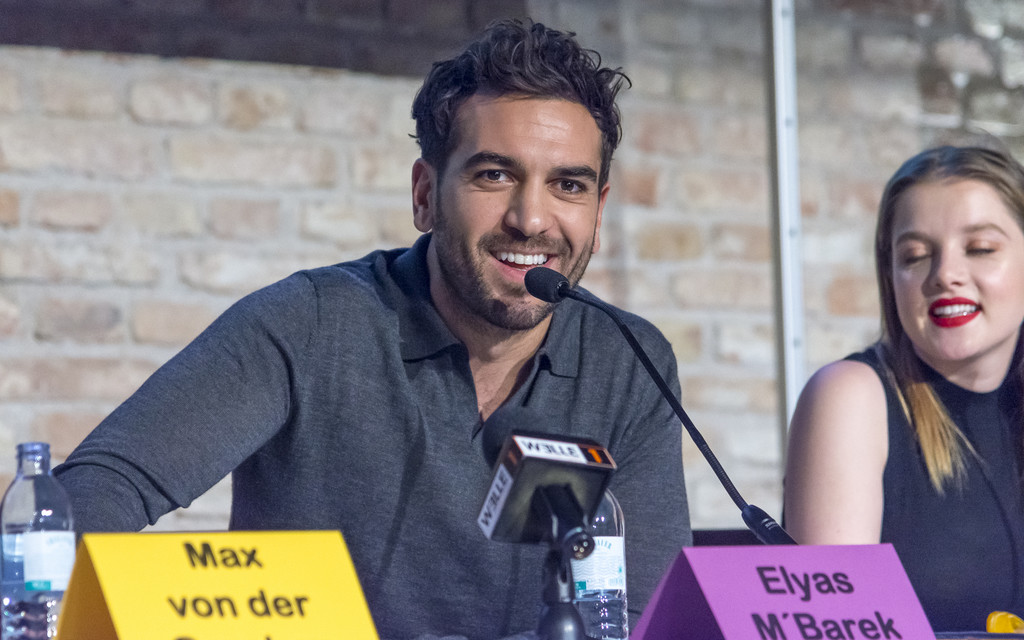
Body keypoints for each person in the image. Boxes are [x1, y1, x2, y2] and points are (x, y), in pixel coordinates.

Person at [53, 19, 692, 640]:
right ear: (425, 195)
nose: (531, 219)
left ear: (598, 213)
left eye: (568, 185)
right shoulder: (309, 322)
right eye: (494, 175)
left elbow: (647, 614)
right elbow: (94, 492)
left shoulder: (629, 360)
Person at [783, 144, 1024, 631]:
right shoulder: (850, 398)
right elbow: (834, 624)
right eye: (915, 256)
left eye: (980, 248)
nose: (945, 275)